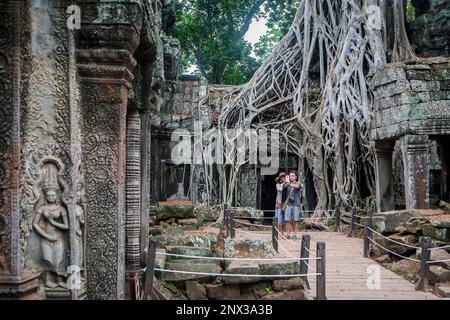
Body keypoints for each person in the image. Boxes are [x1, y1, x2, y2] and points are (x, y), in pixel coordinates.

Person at [284, 171, 303, 240]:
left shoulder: (298, 183)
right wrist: (285, 182)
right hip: (288, 204)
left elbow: (297, 186)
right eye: (290, 176)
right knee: (287, 220)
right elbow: (282, 187)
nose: (291, 177)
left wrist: (288, 183)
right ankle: (287, 234)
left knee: (296, 220)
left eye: (292, 176)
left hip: (296, 204)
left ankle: (295, 234)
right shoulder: (287, 184)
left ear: (295, 177)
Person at [275, 172, 288, 239]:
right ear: (280, 179)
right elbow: (280, 189)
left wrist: (287, 183)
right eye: (282, 177)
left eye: (284, 177)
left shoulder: (288, 185)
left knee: (284, 220)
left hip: (286, 204)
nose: (283, 178)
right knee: (279, 220)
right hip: (279, 204)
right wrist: (284, 183)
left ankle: (282, 234)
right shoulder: (278, 185)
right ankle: (279, 234)